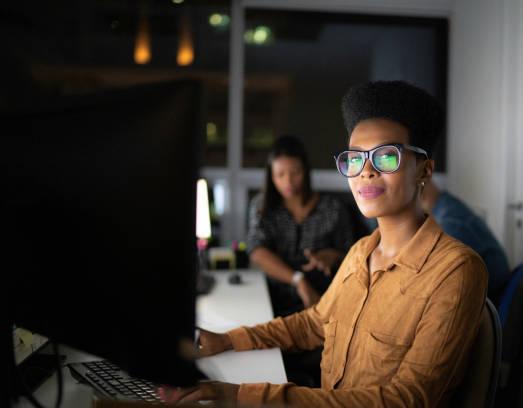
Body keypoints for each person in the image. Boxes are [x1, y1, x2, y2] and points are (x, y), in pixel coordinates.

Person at [161, 81, 488, 407]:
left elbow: (407, 399)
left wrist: (240, 395)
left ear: (425, 170)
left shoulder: (455, 271)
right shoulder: (362, 252)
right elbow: (314, 321)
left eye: (386, 157)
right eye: (354, 159)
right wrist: (228, 340)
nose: (366, 172)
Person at [246, 135, 355, 318]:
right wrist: (298, 280)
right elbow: (257, 251)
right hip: (272, 300)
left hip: (324, 301)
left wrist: (332, 256)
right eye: (280, 175)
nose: (288, 182)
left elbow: (352, 254)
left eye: (295, 172)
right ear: (271, 176)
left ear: (305, 171)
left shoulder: (332, 208)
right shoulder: (262, 206)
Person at [421, 180, 511, 302]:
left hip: (489, 301)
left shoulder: (451, 224)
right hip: (493, 294)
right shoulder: (448, 205)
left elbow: (443, 287)